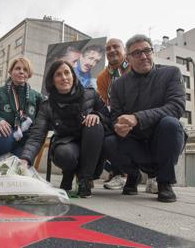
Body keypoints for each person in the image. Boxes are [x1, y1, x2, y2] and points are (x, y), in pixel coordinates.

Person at [104, 34, 186, 202]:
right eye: (136, 53)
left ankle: (164, 182)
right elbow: (115, 116)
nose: (143, 56)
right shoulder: (119, 85)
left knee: (170, 123)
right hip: (134, 142)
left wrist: (137, 118)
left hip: (163, 140)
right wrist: (119, 126)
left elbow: (176, 107)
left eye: (147, 51)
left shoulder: (171, 73)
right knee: (109, 141)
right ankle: (132, 176)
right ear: (128, 58)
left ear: (152, 52)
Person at [20, 60, 107, 198]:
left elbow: (108, 118)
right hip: (66, 143)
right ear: (52, 80)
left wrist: (97, 115)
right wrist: (25, 159)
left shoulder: (91, 94)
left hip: (92, 143)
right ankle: (68, 173)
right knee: (65, 154)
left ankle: (85, 180)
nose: (64, 77)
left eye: (67, 72)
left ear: (73, 75)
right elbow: (37, 135)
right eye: (58, 74)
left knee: (95, 124)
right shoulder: (47, 105)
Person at [0, 57, 43, 159]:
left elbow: (43, 120)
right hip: (2, 138)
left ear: (29, 74)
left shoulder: (37, 97)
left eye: (25, 70)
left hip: (25, 139)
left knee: (19, 169)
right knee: (2, 134)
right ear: (10, 71)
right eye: (17, 68)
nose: (21, 72)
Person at [96, 38, 130, 191]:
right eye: (108, 48)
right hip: (114, 115)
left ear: (124, 50)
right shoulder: (102, 77)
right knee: (102, 133)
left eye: (116, 47)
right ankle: (117, 173)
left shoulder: (134, 66)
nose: (111, 50)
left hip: (137, 113)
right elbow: (104, 101)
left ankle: (153, 177)